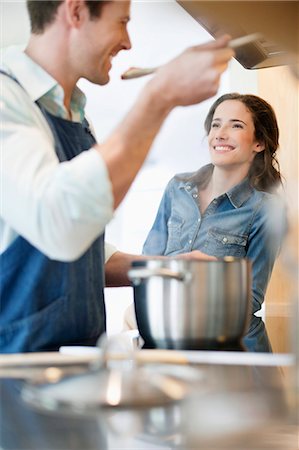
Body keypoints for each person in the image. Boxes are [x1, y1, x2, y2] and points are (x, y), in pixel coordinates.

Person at [0, 0, 234, 353]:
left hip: (77, 360)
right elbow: (60, 222)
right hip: (15, 370)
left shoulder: (76, 116)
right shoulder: (6, 100)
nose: (127, 42)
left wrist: (167, 267)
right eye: (122, 21)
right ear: (76, 12)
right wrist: (159, 97)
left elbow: (85, 251)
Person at [135, 93, 286, 352]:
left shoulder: (266, 209)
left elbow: (249, 300)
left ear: (259, 142)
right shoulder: (178, 188)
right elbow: (149, 263)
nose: (220, 133)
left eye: (236, 125)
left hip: (233, 352)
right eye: (216, 124)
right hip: (168, 340)